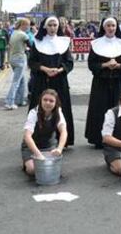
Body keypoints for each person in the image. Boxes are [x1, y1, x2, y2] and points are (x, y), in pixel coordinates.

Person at [85, 17, 121, 148]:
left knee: (118, 110)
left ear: (116, 27)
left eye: (113, 26)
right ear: (103, 28)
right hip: (101, 83)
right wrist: (104, 65)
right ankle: (99, 139)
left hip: (118, 82)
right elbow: (91, 64)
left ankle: (118, 139)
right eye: (108, 26)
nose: (111, 28)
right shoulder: (96, 44)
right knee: (100, 110)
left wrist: (118, 66)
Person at [28, 16, 75, 146]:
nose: (53, 28)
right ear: (45, 27)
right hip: (41, 81)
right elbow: (31, 62)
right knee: (40, 109)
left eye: (55, 25)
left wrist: (60, 70)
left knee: (61, 109)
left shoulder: (64, 42)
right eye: (50, 25)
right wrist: (44, 69)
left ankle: (62, 140)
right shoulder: (37, 43)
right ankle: (38, 140)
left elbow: (69, 62)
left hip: (60, 81)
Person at [21, 89, 68, 176]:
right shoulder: (33, 113)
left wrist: (59, 149)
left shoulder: (58, 112)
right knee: (32, 170)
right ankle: (26, 162)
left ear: (55, 103)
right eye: (45, 100)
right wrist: (38, 154)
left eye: (51, 101)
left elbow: (64, 131)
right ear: (41, 100)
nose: (48, 103)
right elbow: (27, 136)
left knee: (52, 169)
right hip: (31, 147)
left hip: (49, 145)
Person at [5, 18, 31, 110]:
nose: (28, 27)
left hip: (13, 59)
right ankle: (9, 102)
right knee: (16, 82)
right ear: (23, 25)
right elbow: (30, 46)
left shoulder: (13, 33)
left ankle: (20, 101)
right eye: (27, 25)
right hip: (20, 58)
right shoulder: (23, 35)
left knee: (21, 80)